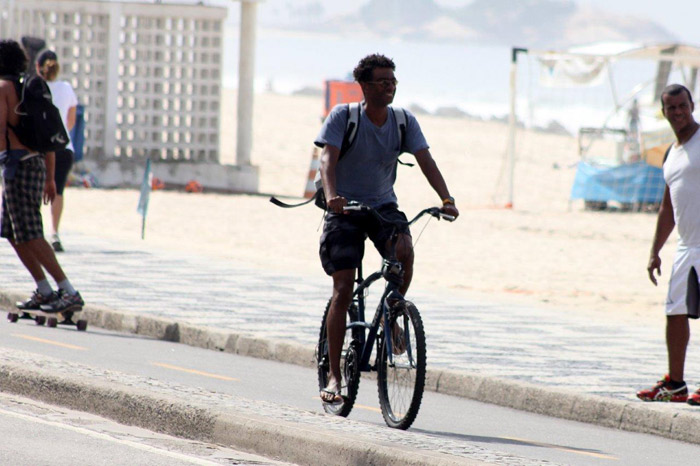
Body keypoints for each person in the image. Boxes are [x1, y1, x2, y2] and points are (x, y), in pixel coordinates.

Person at [314, 54, 459, 404]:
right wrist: (332, 196)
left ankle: (393, 309)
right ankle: (334, 377)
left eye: (393, 81)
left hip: (382, 206)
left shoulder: (403, 121)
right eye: (382, 81)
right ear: (364, 86)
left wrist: (446, 198)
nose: (389, 86)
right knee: (343, 288)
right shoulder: (344, 117)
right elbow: (326, 159)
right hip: (344, 209)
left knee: (404, 250)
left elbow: (426, 159)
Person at [0, 39, 84, 314]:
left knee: (32, 233)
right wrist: (49, 177)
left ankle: (68, 291)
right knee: (14, 233)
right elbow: (46, 139)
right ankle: (44, 289)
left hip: (17, 166)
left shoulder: (4, 89)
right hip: (33, 165)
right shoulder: (27, 88)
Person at [637, 84, 700, 404]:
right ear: (663, 112)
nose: (678, 112)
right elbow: (668, 207)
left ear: (692, 104)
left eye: (683, 106)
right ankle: (675, 384)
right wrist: (655, 251)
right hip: (687, 246)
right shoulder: (670, 153)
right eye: (671, 108)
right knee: (675, 313)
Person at [36, 49, 78, 252]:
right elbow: (71, 121)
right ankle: (54, 232)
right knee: (58, 190)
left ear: (38, 67)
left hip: (39, 146)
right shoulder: (66, 88)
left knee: (35, 188)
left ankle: (35, 232)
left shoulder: (34, 87)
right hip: (64, 147)